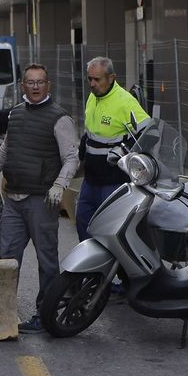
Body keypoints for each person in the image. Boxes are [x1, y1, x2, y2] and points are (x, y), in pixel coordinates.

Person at [0, 64, 78, 334]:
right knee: (6, 258)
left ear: (48, 85)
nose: (36, 86)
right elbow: (6, 150)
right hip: (13, 201)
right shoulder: (15, 113)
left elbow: (72, 158)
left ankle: (45, 314)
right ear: (22, 86)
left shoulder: (59, 118)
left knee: (47, 260)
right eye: (30, 82)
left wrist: (59, 186)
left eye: (40, 82)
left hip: (42, 200)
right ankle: (3, 312)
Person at [76, 56, 149, 242]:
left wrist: (123, 151)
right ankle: (91, 269)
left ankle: (115, 270)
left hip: (113, 182)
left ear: (111, 78)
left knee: (110, 234)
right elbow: (92, 133)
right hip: (90, 180)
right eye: (89, 78)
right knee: (83, 223)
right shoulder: (93, 97)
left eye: (97, 79)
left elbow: (149, 133)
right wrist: (81, 150)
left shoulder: (125, 101)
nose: (92, 84)